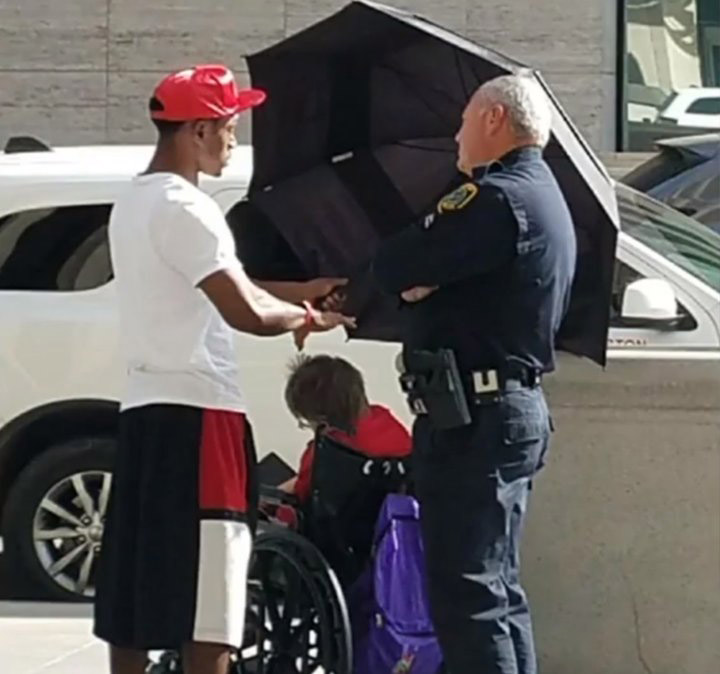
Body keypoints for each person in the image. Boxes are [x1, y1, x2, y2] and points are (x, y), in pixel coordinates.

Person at [93, 64, 354, 674]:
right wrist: (307, 319)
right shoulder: (190, 207)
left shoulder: (135, 199)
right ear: (198, 131)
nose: (235, 139)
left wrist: (301, 291)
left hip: (146, 411)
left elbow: (221, 283)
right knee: (215, 596)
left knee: (136, 587)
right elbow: (244, 312)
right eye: (229, 126)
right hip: (202, 412)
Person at [371, 73, 577, 674]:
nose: (456, 136)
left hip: (478, 420)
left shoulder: (493, 200)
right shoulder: (541, 193)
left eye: (463, 120)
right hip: (499, 413)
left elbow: (394, 264)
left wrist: (418, 279)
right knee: (496, 591)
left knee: (469, 596)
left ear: (493, 119)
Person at [279, 354, 411, 503]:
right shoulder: (386, 421)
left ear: (321, 420)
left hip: (341, 519)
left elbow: (301, 494)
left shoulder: (323, 455)